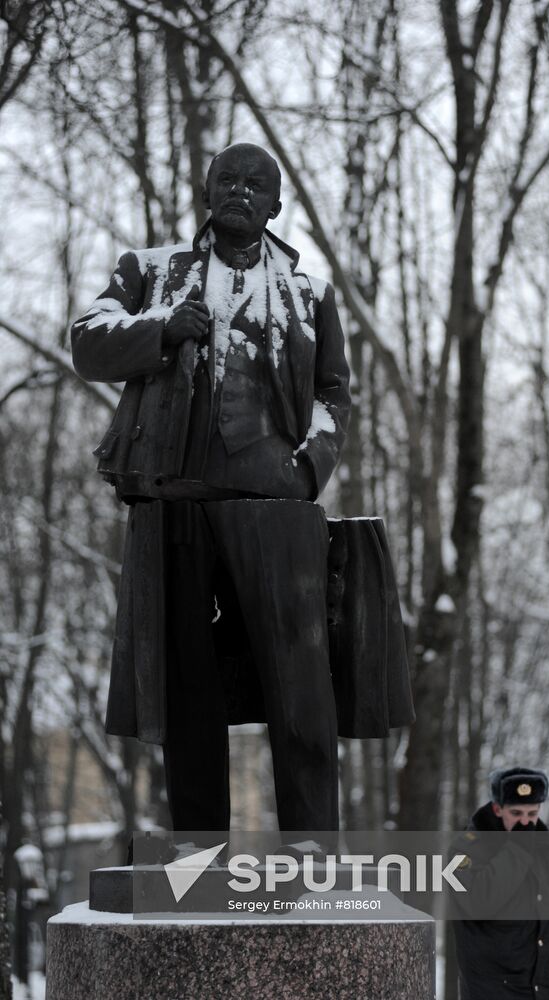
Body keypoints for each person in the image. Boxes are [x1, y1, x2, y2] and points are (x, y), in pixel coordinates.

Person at [71, 142, 352, 834]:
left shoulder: (308, 293)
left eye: (257, 184)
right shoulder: (152, 271)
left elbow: (334, 395)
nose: (241, 191)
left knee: (302, 692)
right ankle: (199, 850)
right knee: (188, 687)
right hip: (179, 502)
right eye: (227, 179)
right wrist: (161, 328)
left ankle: (312, 850)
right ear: (206, 191)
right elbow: (87, 339)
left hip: (275, 509)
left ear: (276, 205)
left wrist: (308, 466)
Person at [452, 766, 549, 1000]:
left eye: (532, 814)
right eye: (516, 813)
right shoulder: (463, 851)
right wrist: (519, 849)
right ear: (497, 809)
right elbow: (478, 903)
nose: (525, 822)